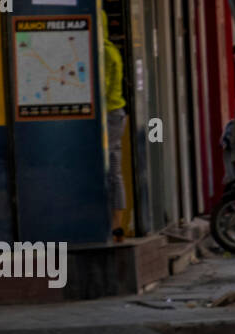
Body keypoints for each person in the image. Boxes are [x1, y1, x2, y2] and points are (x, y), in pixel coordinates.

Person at [100, 11, 128, 242]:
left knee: (111, 172)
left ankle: (116, 225)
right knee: (113, 172)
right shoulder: (109, 50)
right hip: (114, 114)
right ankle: (116, 226)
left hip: (109, 115)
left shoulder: (105, 52)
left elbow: (104, 87)